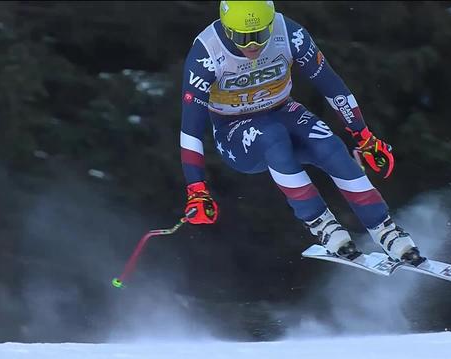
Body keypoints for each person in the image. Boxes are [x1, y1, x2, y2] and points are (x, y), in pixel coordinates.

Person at [179, 1, 423, 264]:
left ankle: (385, 229)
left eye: (260, 35)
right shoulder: (206, 53)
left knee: (330, 146)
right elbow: (191, 128)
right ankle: (322, 224)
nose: (252, 46)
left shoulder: (289, 34)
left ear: (271, 25)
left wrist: (363, 136)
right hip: (233, 130)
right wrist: (197, 188)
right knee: (272, 136)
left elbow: (331, 85)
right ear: (227, 31)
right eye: (243, 37)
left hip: (283, 109)